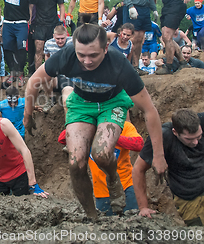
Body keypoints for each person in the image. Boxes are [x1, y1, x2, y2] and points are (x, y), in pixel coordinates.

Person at [24, 24, 167, 219]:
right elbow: (33, 82)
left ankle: (113, 178)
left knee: (100, 153)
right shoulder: (66, 55)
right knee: (75, 164)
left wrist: (158, 155)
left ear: (106, 48)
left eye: (93, 55)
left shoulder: (118, 63)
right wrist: (28, 115)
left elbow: (149, 110)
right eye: (81, 55)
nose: (86, 61)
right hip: (82, 104)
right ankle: (92, 216)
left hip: (112, 103)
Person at [133, 109, 204, 226]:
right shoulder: (162, 137)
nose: (196, 142)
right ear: (175, 132)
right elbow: (138, 170)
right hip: (190, 198)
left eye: (199, 136)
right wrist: (143, 207)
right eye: (189, 139)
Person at [58, 121, 143, 215]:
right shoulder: (89, 127)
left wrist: (110, 137)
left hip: (127, 186)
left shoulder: (124, 126)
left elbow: (138, 144)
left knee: (134, 224)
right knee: (106, 227)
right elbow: (62, 138)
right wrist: (90, 130)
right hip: (101, 192)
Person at [28, 0, 66, 70]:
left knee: (52, 51)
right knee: (39, 51)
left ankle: (52, 73)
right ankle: (38, 75)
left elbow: (61, 6)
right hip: (39, 25)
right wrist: (30, 22)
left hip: (53, 24)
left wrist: (61, 21)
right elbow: (31, 7)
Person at [41, 25, 74, 113]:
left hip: (69, 73)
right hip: (55, 73)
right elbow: (47, 57)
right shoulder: (48, 43)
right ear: (53, 36)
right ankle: (51, 99)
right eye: (57, 38)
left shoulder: (72, 42)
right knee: (44, 77)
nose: (60, 41)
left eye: (62, 38)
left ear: (66, 35)